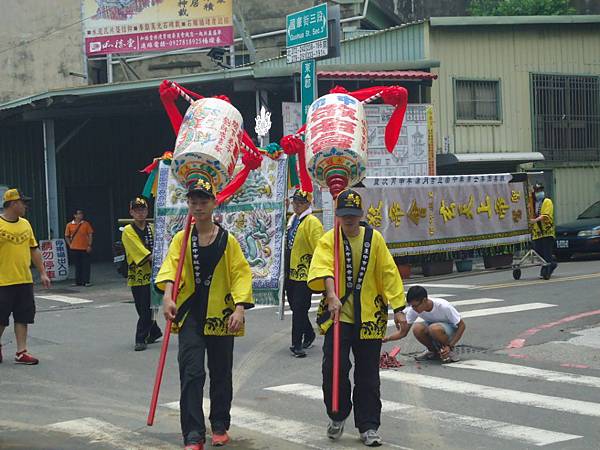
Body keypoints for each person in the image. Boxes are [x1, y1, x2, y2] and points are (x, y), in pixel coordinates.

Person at [156, 178, 254, 450]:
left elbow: (240, 273)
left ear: (214, 203)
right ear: (188, 205)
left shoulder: (227, 240)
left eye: (203, 202)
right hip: (189, 316)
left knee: (221, 372)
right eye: (193, 202)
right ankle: (193, 434)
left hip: (221, 315)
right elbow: (170, 269)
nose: (198, 207)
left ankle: (220, 424)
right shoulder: (181, 238)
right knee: (192, 372)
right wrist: (167, 296)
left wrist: (239, 308)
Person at [307, 189, 407, 447]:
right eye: (343, 215)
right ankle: (337, 415)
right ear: (338, 216)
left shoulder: (375, 240)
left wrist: (398, 308)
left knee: (368, 376)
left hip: (370, 317)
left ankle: (369, 425)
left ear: (361, 214)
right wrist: (331, 294)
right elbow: (323, 267)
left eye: (353, 215)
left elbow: (388, 273)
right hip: (338, 316)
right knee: (334, 369)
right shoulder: (330, 240)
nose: (348, 220)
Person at [0, 188, 51, 365]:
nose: (26, 206)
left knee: (23, 316)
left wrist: (43, 272)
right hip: (2, 281)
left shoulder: (25, 224)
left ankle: (21, 352)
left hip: (24, 279)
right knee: (1, 318)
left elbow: (34, 249)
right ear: (13, 204)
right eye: (23, 203)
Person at [285, 188, 323, 358]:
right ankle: (308, 333)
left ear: (308, 203)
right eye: (295, 202)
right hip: (290, 272)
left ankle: (296, 344)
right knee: (295, 307)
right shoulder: (293, 219)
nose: (297, 205)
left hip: (304, 273)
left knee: (300, 307)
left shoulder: (312, 222)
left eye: (301, 203)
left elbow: (319, 248)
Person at [383, 285, 465, 363]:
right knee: (417, 328)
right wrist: (386, 339)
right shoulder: (414, 310)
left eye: (416, 306)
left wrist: (450, 345)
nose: (414, 309)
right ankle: (433, 351)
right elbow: (403, 333)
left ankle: (449, 351)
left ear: (425, 300)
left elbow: (462, 326)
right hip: (433, 328)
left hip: (450, 329)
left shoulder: (443, 306)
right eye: (412, 306)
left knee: (434, 328)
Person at [121, 196, 162, 352]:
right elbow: (139, 250)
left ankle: (142, 337)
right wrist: (156, 257)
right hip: (138, 274)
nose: (140, 213)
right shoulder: (128, 231)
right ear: (131, 212)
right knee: (142, 307)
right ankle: (152, 332)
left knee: (148, 307)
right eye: (137, 210)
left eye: (143, 210)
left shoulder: (152, 228)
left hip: (154, 273)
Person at [530, 182, 558, 280]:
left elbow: (546, 215)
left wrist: (535, 220)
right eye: (537, 191)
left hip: (547, 231)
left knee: (546, 252)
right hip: (537, 233)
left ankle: (547, 271)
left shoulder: (547, 201)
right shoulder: (532, 203)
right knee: (538, 252)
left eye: (541, 190)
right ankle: (552, 263)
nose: (539, 192)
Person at [65, 209, 94, 286]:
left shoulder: (86, 224)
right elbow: (67, 236)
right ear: (75, 215)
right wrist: (70, 245)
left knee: (86, 265)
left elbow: (90, 235)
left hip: (84, 248)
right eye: (79, 214)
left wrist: (89, 245)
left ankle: (86, 281)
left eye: (81, 213)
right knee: (77, 266)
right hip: (74, 248)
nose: (81, 215)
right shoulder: (69, 225)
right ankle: (78, 281)